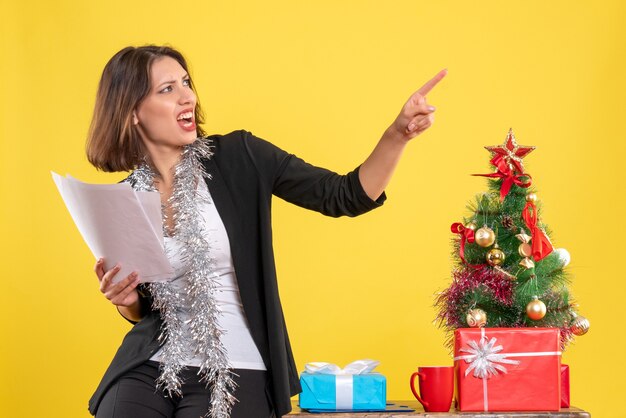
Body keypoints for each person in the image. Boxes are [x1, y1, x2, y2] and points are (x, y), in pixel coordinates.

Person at [86, 45, 445, 418]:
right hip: (148, 366)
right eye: (167, 89)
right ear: (131, 112)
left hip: (236, 366)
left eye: (186, 83)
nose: (188, 96)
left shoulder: (240, 156)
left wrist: (397, 135)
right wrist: (124, 300)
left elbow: (344, 195)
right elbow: (143, 308)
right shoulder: (126, 198)